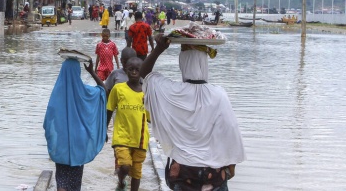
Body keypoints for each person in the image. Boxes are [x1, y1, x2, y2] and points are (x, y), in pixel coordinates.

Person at [140, 36, 246, 191]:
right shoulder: (218, 94)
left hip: (183, 172)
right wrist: (232, 163)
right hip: (213, 172)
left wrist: (158, 49)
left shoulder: (170, 91)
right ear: (204, 64)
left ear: (182, 62)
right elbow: (230, 129)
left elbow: (144, 75)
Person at [44, 58, 107, 191]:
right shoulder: (86, 92)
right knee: (74, 182)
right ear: (78, 72)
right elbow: (103, 90)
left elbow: (49, 121)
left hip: (61, 144)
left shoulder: (57, 93)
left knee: (61, 179)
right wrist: (91, 72)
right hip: (80, 143)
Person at [106, 57, 150, 191]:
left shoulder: (146, 92)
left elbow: (150, 118)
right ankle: (121, 181)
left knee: (136, 172)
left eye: (138, 70)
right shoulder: (118, 89)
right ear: (125, 70)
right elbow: (109, 109)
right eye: (131, 69)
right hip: (122, 137)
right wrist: (104, 130)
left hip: (140, 139)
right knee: (125, 166)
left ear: (142, 71)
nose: (134, 72)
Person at [103, 47, 137, 173]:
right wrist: (104, 128)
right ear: (122, 61)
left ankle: (129, 174)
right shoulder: (116, 74)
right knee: (120, 151)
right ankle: (120, 176)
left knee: (134, 155)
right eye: (127, 62)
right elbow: (108, 97)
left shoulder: (140, 75)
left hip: (135, 121)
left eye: (133, 61)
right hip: (119, 119)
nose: (131, 66)